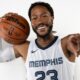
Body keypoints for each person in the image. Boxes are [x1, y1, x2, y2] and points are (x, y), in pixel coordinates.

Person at [0, 1, 80, 80]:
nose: (40, 21)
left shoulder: (65, 44)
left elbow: (74, 40)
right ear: (31, 23)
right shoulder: (25, 48)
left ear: (52, 18)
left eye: (44, 16)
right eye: (34, 18)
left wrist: (76, 40)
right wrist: (1, 23)